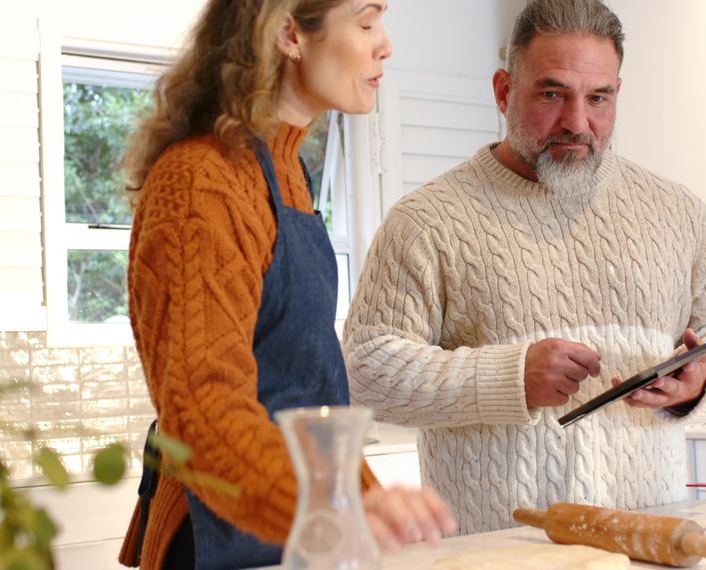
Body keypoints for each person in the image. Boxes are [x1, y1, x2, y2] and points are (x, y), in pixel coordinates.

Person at [342, 0, 706, 536]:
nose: (577, 122)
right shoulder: (425, 221)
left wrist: (704, 379)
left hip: (650, 542)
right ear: (502, 91)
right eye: (551, 94)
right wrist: (508, 377)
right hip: (496, 553)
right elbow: (365, 370)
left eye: (598, 98)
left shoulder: (678, 211)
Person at [118, 1, 456, 569]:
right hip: (220, 540)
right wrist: (334, 510)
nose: (386, 45)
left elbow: (306, 399)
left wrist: (373, 506)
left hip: (297, 535)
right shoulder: (201, 183)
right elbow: (202, 417)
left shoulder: (289, 175)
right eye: (367, 21)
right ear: (290, 34)